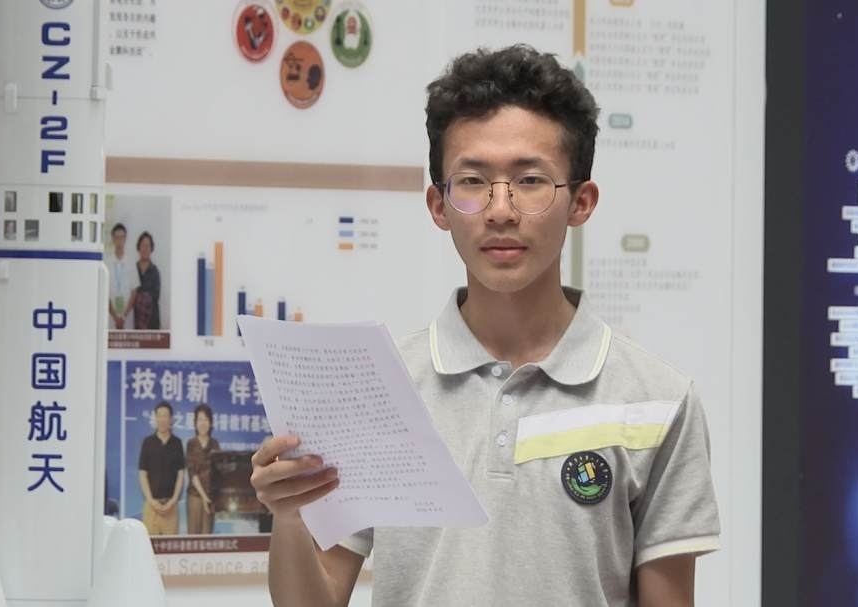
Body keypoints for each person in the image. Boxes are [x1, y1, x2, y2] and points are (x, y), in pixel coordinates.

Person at [250, 45, 720, 607]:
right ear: (439, 205)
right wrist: (289, 517)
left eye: (530, 180)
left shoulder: (658, 400)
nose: (501, 209)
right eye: (473, 180)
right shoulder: (376, 388)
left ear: (581, 202)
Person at [138, 401, 185, 535]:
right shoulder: (147, 442)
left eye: (166, 416)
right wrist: (151, 500)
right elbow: (143, 474)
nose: (162, 419)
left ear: (171, 419)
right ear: (155, 418)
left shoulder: (177, 443)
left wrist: (174, 500)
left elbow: (181, 474)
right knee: (150, 545)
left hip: (171, 507)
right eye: (159, 415)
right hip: (151, 506)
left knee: (170, 546)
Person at [185, 404, 220, 535]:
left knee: (207, 536)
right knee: (193, 536)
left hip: (211, 497)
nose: (203, 423)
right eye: (199, 419)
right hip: (195, 495)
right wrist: (204, 497)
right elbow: (192, 473)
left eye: (206, 419)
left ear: (210, 423)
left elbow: (218, 471)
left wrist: (211, 497)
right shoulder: (191, 444)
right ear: (195, 423)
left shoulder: (215, 444)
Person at [107, 223, 138, 331]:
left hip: (127, 318)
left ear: (125, 239)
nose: (119, 241)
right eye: (117, 237)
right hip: (110, 317)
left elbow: (134, 292)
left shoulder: (131, 262)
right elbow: (104, 292)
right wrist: (115, 317)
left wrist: (123, 317)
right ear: (113, 239)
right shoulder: (106, 262)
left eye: (122, 237)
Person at [133, 231, 162, 331]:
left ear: (151, 249)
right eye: (143, 245)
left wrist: (140, 296)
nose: (145, 249)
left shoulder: (155, 271)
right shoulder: (133, 269)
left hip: (152, 323)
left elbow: (156, 296)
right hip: (134, 322)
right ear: (139, 248)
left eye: (148, 246)